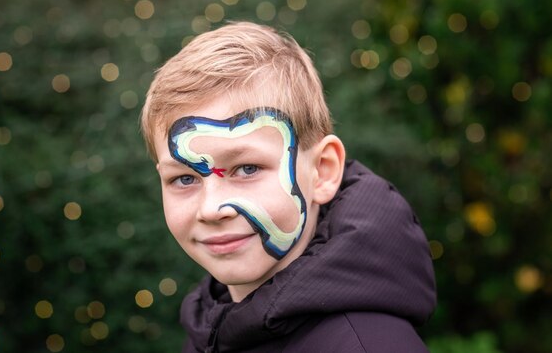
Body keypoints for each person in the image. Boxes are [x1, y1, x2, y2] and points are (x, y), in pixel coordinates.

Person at [140, 22, 436, 352]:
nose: (211, 209)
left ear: (323, 171)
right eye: (184, 179)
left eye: (247, 168)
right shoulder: (212, 328)